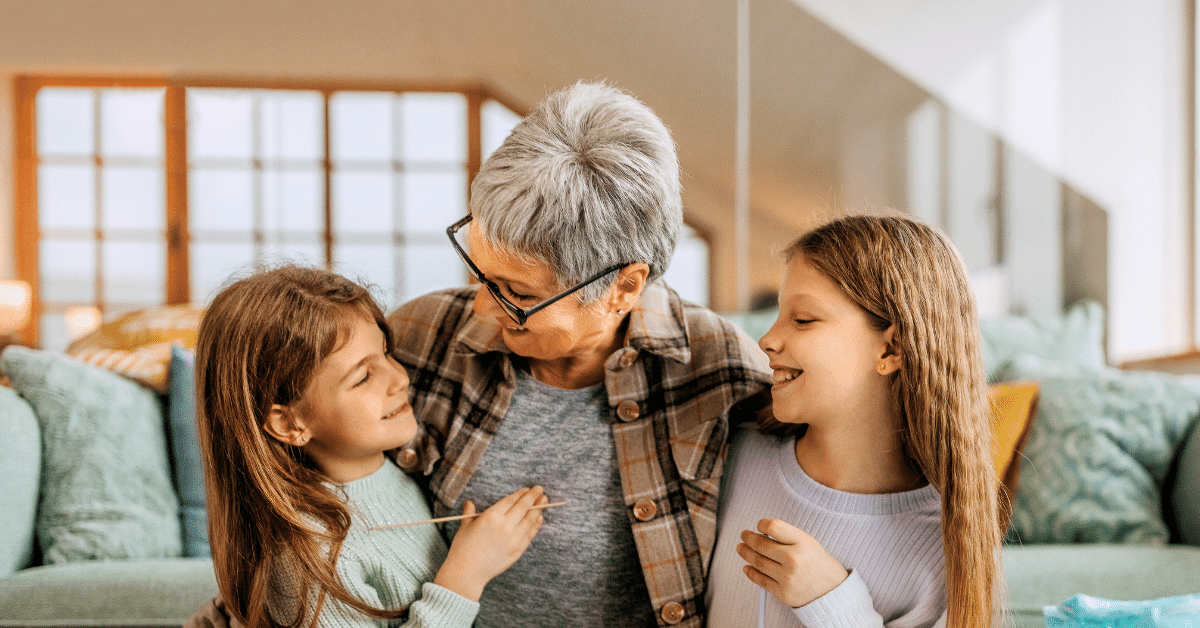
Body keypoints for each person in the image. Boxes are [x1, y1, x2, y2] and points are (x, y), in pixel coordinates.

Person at [387, 80, 771, 628]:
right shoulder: (418, 337)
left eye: (516, 294)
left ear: (624, 287)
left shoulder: (722, 373)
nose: (480, 308)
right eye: (478, 274)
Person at [193, 265, 548, 628]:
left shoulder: (388, 466)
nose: (399, 378)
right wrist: (464, 577)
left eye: (387, 352)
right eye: (363, 377)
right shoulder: (309, 559)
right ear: (289, 423)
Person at [706, 214, 1004, 628]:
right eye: (778, 315)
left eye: (803, 319)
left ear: (891, 349)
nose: (768, 339)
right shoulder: (734, 455)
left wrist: (833, 603)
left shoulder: (944, 550)